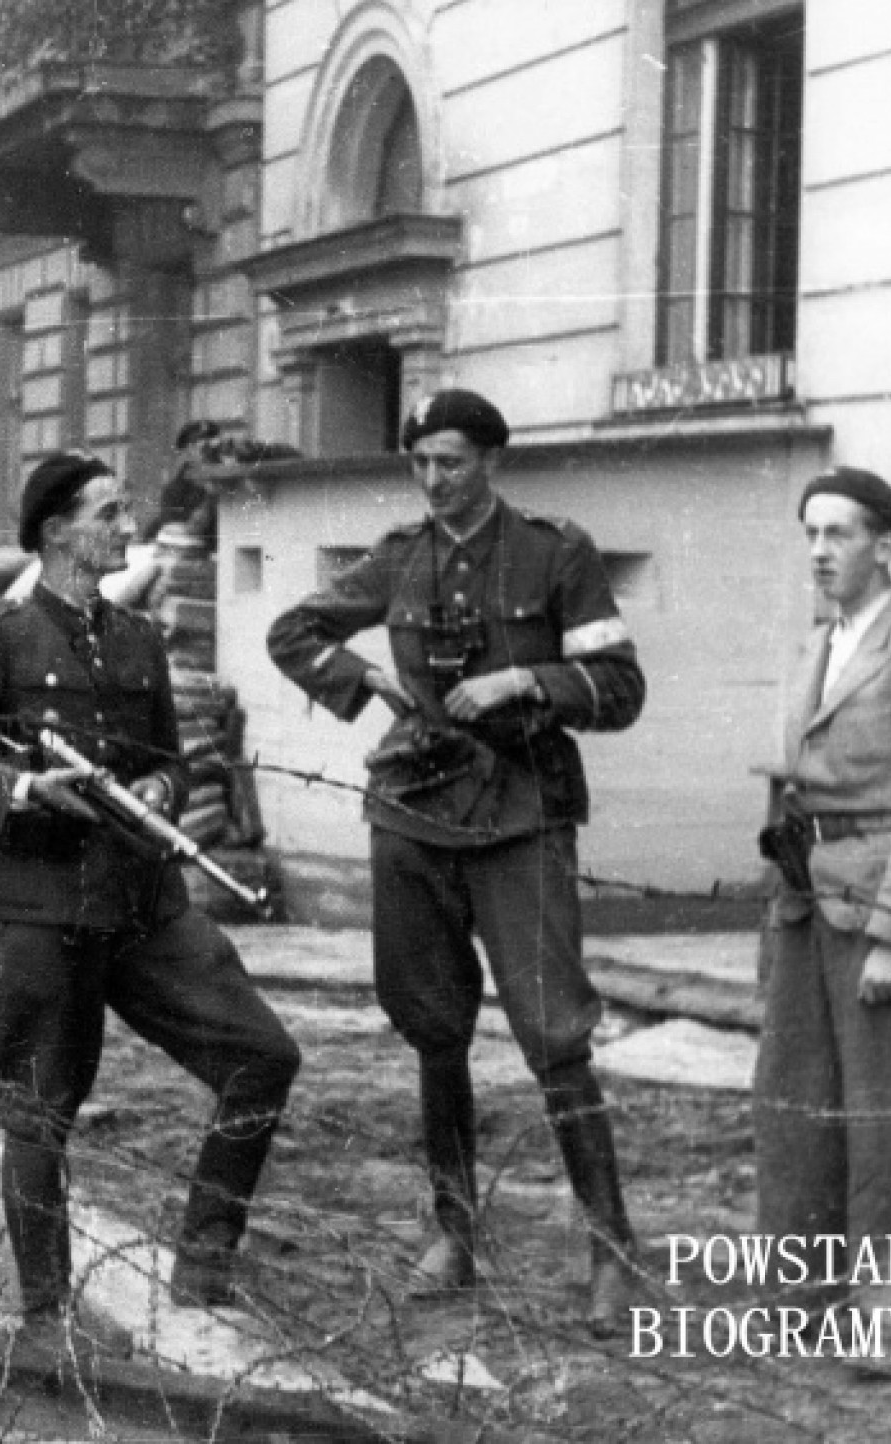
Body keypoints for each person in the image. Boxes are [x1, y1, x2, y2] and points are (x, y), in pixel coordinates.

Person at [0, 452, 301, 1344]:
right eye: (110, 513)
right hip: (37, 906)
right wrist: (23, 791)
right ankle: (46, 1317)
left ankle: (203, 1264)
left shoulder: (138, 638)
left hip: (141, 903)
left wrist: (160, 791)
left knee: (261, 1057)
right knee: (41, 1110)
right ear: (56, 533)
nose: (127, 528)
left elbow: (166, 757)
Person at [266, 388, 645, 1336]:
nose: (435, 479)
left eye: (452, 462)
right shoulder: (398, 557)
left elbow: (623, 688)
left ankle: (610, 1252)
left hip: (522, 814)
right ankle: (454, 1230)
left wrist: (530, 679)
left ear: (490, 463)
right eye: (422, 463)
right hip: (412, 811)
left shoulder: (557, 553)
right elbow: (293, 633)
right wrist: (370, 684)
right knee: (434, 1027)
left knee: (554, 1036)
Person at [756, 467, 891, 1372]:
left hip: (882, 903)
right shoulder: (822, 643)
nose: (819, 551)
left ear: (885, 544)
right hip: (807, 901)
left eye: (838, 534)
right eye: (811, 533)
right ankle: (800, 1305)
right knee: (797, 1107)